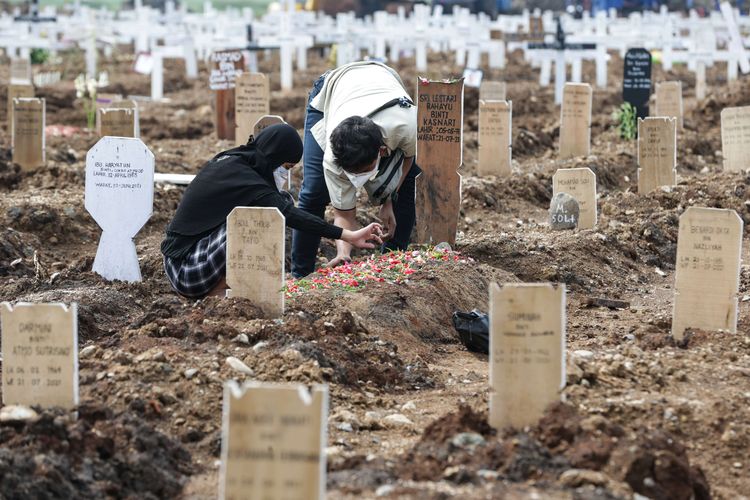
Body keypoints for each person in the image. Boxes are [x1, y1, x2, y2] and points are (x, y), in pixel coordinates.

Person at [161, 123, 383, 298]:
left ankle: (231, 283)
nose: (285, 174)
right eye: (285, 168)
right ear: (274, 156)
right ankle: (218, 289)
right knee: (261, 220)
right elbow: (291, 216)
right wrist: (348, 235)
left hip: (182, 260)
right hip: (187, 272)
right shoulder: (248, 181)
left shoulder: (236, 160)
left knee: (272, 206)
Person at [291, 61, 420, 278]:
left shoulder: (408, 128)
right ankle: (301, 275)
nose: (357, 179)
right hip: (331, 91)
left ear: (381, 151)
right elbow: (343, 212)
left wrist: (390, 197)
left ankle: (392, 264)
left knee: (408, 186)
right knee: (314, 192)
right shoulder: (333, 156)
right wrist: (344, 253)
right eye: (351, 173)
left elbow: (407, 159)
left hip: (383, 82)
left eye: (363, 170)